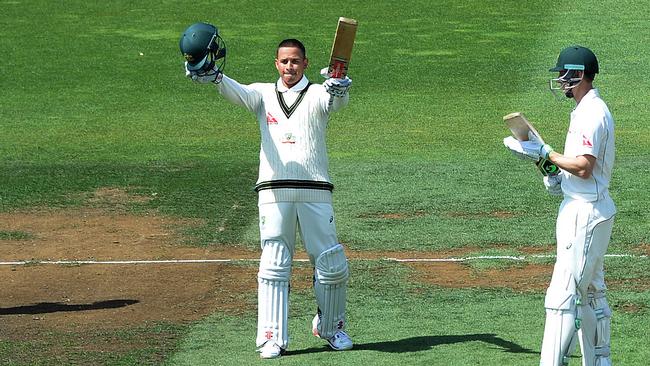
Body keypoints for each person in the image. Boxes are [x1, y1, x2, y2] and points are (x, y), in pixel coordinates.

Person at [180, 23, 354, 359]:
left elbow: (336, 100)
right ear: (277, 64)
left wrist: (340, 87)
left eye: (296, 61)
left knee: (331, 263)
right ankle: (272, 337)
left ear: (305, 64)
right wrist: (209, 73)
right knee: (274, 261)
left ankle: (331, 328)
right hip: (273, 191)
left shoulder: (318, 92)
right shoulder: (261, 94)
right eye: (284, 61)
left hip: (316, 189)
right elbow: (230, 88)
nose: (290, 67)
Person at [505, 45, 616, 365]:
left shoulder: (592, 113)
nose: (561, 81)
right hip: (590, 206)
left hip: (584, 214)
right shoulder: (587, 110)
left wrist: (545, 153)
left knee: (562, 297)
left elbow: (584, 166)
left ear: (579, 74)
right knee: (592, 292)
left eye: (565, 75)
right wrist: (554, 175)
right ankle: (599, 361)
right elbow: (578, 171)